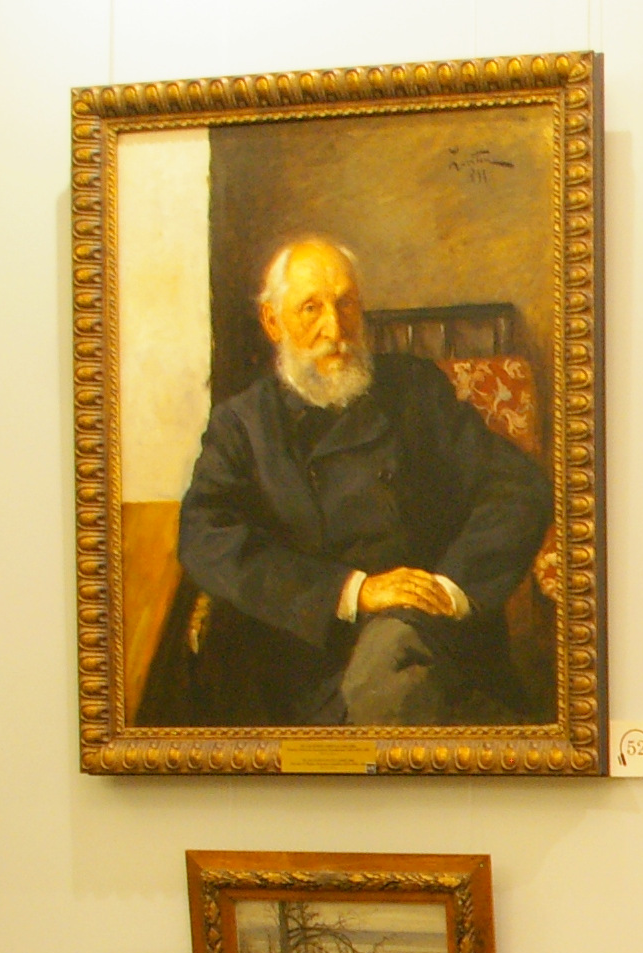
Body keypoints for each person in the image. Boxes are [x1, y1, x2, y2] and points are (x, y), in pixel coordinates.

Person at [136, 236, 555, 726]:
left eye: (345, 304)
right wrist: (351, 592)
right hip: (302, 665)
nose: (334, 329)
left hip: (427, 640)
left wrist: (450, 588)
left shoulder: (415, 390)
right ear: (273, 322)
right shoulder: (242, 425)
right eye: (310, 308)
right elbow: (204, 536)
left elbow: (518, 486)